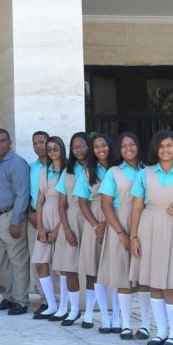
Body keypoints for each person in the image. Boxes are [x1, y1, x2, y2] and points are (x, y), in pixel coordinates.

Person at [129, 130, 173, 345]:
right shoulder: (145, 174)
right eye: (161, 146)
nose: (165, 150)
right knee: (154, 285)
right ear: (155, 149)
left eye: (169, 145)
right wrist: (133, 237)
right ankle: (160, 332)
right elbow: (137, 207)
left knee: (172, 284)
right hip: (149, 228)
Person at [98, 132, 144, 339]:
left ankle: (144, 325)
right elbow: (105, 205)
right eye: (123, 145)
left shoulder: (148, 170)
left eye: (131, 144)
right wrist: (120, 232)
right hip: (119, 223)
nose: (128, 148)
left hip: (145, 224)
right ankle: (125, 324)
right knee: (123, 278)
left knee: (145, 278)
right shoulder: (113, 172)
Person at [0, 129, 31, 315]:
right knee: (3, 261)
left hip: (10, 217)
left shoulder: (17, 164)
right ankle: (9, 296)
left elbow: (22, 193)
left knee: (18, 260)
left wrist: (16, 220)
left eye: (3, 141)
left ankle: (21, 300)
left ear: (9, 142)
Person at [75, 135, 115, 331]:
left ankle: (116, 316)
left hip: (116, 219)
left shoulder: (118, 168)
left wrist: (109, 223)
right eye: (96, 146)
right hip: (95, 220)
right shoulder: (87, 171)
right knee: (94, 270)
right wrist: (96, 225)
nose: (101, 149)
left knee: (117, 270)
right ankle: (94, 314)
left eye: (104, 145)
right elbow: (82, 202)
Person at [52, 133, 89, 326]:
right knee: (69, 268)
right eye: (75, 147)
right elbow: (61, 204)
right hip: (72, 220)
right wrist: (66, 230)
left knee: (93, 269)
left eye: (82, 145)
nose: (79, 150)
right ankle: (73, 310)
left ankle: (90, 312)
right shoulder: (68, 171)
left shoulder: (98, 168)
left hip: (93, 219)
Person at [33, 135, 66, 320]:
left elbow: (68, 204)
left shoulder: (68, 171)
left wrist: (57, 228)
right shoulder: (43, 171)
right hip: (44, 216)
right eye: (50, 148)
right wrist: (40, 227)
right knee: (40, 262)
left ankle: (63, 305)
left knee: (62, 265)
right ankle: (51, 304)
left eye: (56, 148)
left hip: (61, 218)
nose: (52, 152)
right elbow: (40, 200)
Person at [27, 131, 50, 305]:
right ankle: (45, 299)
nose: (38, 146)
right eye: (35, 143)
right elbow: (26, 193)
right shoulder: (32, 167)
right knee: (38, 260)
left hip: (53, 218)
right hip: (34, 218)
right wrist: (30, 213)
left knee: (54, 261)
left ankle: (58, 300)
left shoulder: (59, 167)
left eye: (41, 142)